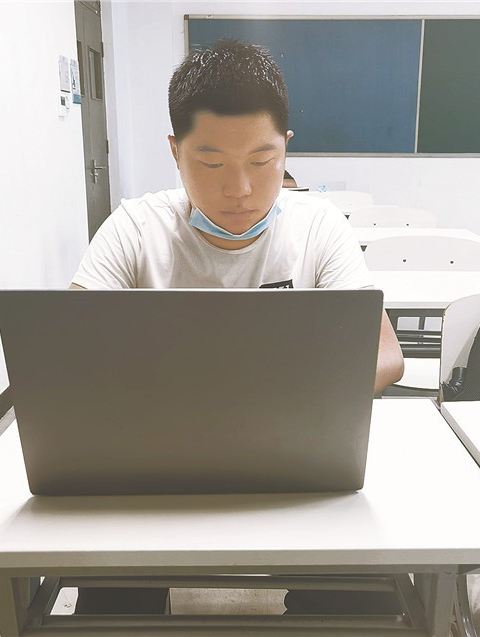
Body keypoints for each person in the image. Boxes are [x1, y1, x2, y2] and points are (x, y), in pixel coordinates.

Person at [70, 39, 404, 615]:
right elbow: (69, 352)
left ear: (286, 147)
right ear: (175, 152)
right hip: (155, 463)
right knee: (110, 603)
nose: (240, 190)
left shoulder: (317, 226)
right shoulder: (135, 228)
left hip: (297, 457)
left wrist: (291, 404)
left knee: (359, 601)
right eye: (211, 164)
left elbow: (386, 355)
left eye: (261, 160)